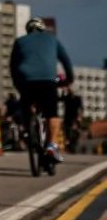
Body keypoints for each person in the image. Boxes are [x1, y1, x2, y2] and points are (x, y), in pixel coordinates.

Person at [9, 18, 74, 163]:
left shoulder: (20, 41)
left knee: (26, 107)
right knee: (52, 115)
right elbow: (66, 61)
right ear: (42, 29)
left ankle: (27, 130)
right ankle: (51, 146)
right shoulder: (52, 40)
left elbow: (13, 66)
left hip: (25, 81)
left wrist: (17, 84)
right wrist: (69, 79)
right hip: (48, 81)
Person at [62, 86, 84, 153]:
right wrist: (63, 91)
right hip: (67, 118)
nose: (70, 91)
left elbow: (81, 108)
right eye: (69, 90)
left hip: (75, 118)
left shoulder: (77, 98)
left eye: (71, 90)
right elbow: (60, 99)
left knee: (76, 133)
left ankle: (73, 146)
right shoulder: (66, 97)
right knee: (67, 133)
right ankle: (69, 146)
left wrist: (80, 117)